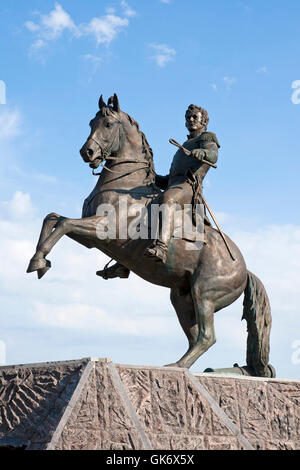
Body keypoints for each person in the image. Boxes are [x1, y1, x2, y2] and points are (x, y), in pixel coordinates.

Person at [97, 104, 220, 278]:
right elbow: (170, 179)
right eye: (188, 117)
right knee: (143, 208)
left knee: (167, 199)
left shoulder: (208, 137)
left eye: (195, 117)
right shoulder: (184, 145)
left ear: (204, 121)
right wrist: (149, 176)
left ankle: (161, 247)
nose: (190, 120)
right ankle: (124, 264)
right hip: (175, 185)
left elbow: (213, 155)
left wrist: (203, 153)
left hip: (189, 188)